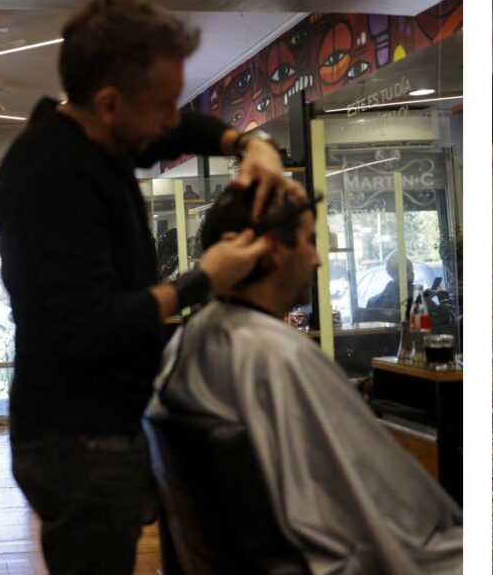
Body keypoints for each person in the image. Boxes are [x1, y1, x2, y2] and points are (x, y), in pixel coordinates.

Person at [0, 0, 305, 572]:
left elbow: (179, 129)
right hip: (76, 439)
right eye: (162, 104)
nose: (171, 120)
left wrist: (248, 144)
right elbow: (89, 325)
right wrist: (204, 278)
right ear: (110, 103)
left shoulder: (94, 137)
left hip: (98, 425)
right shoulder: (52, 176)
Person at [148, 184, 464, 574]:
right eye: (308, 242)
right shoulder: (278, 356)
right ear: (271, 249)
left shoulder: (186, 342)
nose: (317, 259)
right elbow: (387, 519)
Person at [366, 253, 456, 327]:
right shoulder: (417, 299)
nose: (412, 272)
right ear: (409, 270)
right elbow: (448, 318)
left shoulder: (373, 302)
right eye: (411, 269)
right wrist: (443, 297)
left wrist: (424, 297)